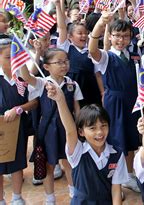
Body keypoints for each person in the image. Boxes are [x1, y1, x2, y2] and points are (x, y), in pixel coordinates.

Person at [45, 84, 128, 204]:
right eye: (92, 128)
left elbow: (116, 189)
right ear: (81, 132)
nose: (99, 132)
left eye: (103, 126)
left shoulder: (117, 154)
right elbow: (70, 130)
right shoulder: (78, 152)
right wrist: (60, 100)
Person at [20, 48, 83, 204]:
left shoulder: (72, 84)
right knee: (49, 164)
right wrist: (20, 56)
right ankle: (50, 197)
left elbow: (77, 109)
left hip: (68, 129)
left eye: (66, 61)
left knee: (69, 162)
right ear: (46, 66)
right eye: (59, 62)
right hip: (48, 130)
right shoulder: (42, 83)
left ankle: (73, 191)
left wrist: (80, 127)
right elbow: (26, 76)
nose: (64, 65)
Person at [88, 12, 141, 192]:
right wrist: (99, 27)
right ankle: (112, 179)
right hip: (114, 103)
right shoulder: (106, 56)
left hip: (132, 102)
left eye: (125, 36)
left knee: (131, 140)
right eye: (117, 35)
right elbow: (92, 50)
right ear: (110, 36)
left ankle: (129, 175)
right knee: (114, 140)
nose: (121, 39)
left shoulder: (135, 55)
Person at [0, 36, 36, 205]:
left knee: (17, 163)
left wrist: (19, 109)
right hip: (1, 129)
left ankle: (17, 197)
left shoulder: (21, 78)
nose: (11, 61)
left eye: (13, 57)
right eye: (7, 57)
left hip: (18, 127)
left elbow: (34, 101)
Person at [54, 0, 101, 106]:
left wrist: (102, 92)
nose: (83, 36)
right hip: (72, 88)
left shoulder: (91, 50)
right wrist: (57, 4)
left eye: (85, 33)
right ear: (70, 37)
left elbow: (98, 73)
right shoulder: (66, 48)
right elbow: (61, 27)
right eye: (79, 33)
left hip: (91, 89)